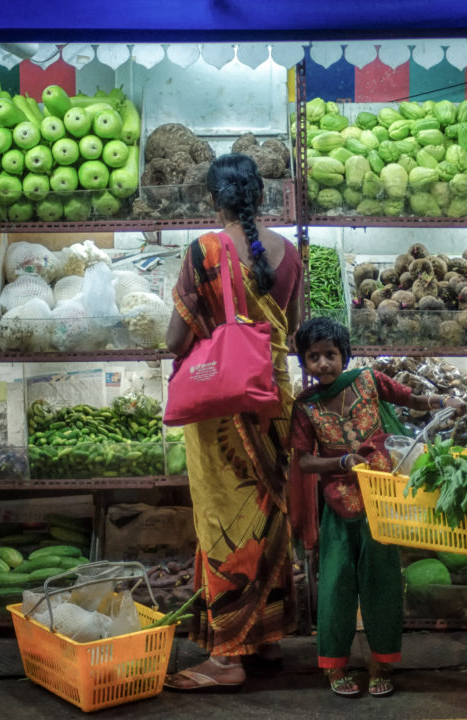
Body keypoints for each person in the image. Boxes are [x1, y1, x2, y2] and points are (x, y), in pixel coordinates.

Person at [163, 153, 303, 692]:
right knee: (267, 515)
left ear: (213, 200)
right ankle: (266, 637)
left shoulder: (205, 250)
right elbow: (292, 329)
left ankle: (227, 655)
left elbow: (176, 339)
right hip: (274, 399)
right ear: (261, 197)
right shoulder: (290, 253)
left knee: (225, 520)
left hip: (223, 407)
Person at [288, 316, 467, 698]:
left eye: (330, 354)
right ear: (304, 361)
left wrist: (443, 401)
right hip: (338, 508)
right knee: (335, 586)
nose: (323, 363)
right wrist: (340, 462)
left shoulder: (369, 380)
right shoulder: (305, 407)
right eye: (313, 357)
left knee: (382, 584)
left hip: (382, 505)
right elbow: (303, 461)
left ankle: (381, 664)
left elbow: (410, 399)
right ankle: (335, 667)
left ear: (345, 355)